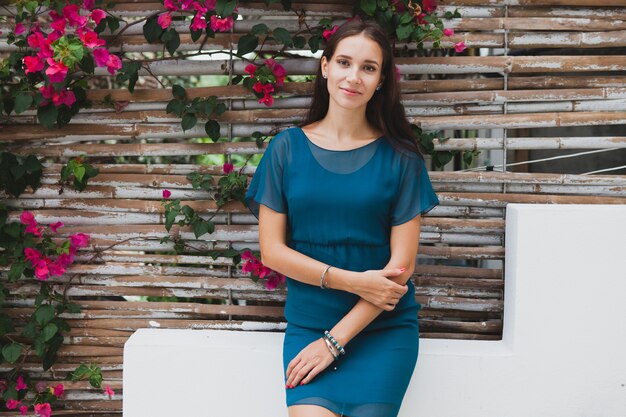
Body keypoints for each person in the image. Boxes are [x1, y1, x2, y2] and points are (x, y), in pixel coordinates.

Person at [244, 18, 439, 417]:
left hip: (380, 331)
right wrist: (350, 282)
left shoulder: (402, 160)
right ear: (325, 67)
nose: (354, 77)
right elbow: (272, 251)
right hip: (309, 325)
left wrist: (335, 342)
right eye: (345, 62)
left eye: (368, 67)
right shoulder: (285, 150)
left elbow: (398, 272)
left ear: (382, 79)